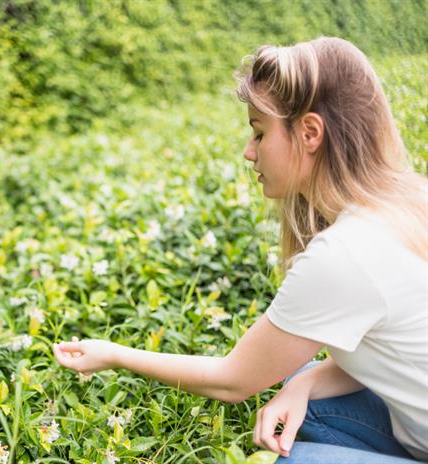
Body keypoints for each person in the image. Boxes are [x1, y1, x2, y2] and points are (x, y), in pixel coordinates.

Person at [52, 37, 428, 463]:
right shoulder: (408, 201)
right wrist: (300, 386)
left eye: (259, 132)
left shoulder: (347, 253)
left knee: (290, 459)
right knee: (299, 381)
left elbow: (232, 381)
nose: (249, 152)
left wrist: (115, 354)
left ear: (309, 133)